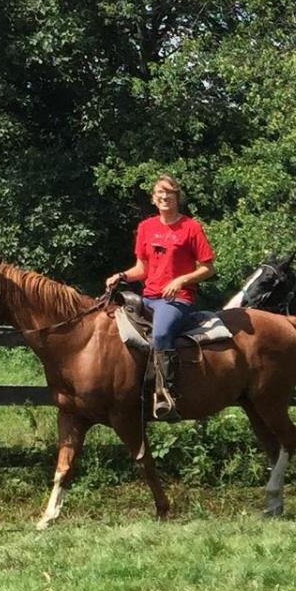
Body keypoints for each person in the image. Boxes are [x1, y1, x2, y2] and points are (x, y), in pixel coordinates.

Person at [105, 174, 213, 420]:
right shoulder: (146, 227)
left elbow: (208, 268)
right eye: (160, 194)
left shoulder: (191, 227)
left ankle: (167, 394)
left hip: (178, 299)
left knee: (162, 334)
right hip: (148, 297)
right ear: (154, 199)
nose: (165, 198)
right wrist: (121, 275)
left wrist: (181, 280)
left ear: (177, 198)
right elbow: (141, 269)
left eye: (170, 194)